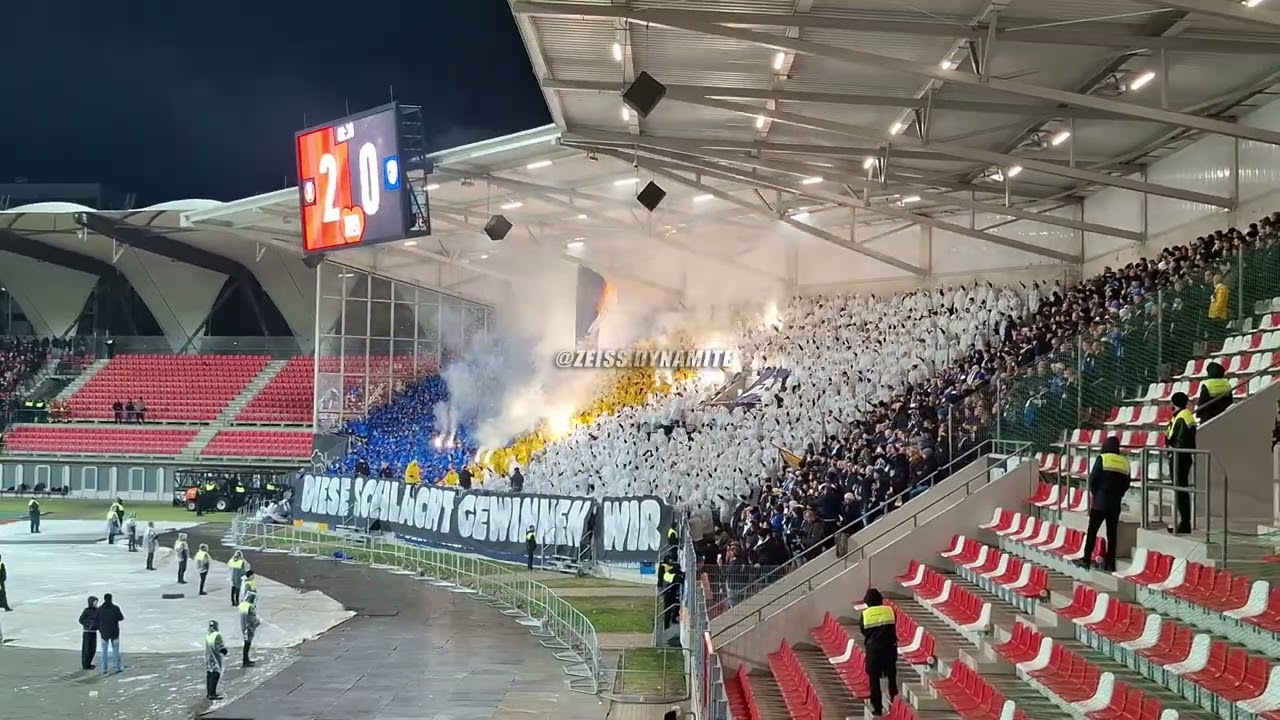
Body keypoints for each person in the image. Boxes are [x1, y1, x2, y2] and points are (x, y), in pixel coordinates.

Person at [1077, 436, 1131, 572]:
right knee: (1112, 534)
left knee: (1092, 531)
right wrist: (1119, 494)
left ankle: (1086, 559)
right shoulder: (1125, 462)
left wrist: (1096, 494)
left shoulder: (1103, 458)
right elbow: (1126, 484)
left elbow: (1093, 479)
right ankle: (1110, 563)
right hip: (1115, 504)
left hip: (1100, 502)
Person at [857, 588, 898, 717]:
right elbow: (893, 625)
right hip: (890, 649)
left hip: (874, 651)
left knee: (874, 680)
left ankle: (877, 708)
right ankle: (895, 703)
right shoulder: (890, 610)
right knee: (892, 677)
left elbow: (863, 630)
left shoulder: (865, 614)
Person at [1166, 391, 1197, 535]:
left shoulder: (1182, 417)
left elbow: (1180, 439)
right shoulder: (1182, 416)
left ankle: (1185, 523)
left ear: (1174, 403)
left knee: (1181, 490)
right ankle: (1184, 522)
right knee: (1180, 490)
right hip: (1180, 456)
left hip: (1179, 457)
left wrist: (1172, 451)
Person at [97, 593, 124, 675]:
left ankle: (104, 669)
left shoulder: (100, 609)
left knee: (104, 652)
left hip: (104, 632)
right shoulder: (115, 608)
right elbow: (121, 618)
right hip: (114, 632)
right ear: (111, 599)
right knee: (116, 651)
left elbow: (96, 619)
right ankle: (117, 668)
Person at [205, 619, 229, 700]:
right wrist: (225, 651)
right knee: (216, 673)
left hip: (209, 657)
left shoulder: (208, 635)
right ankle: (212, 694)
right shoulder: (217, 635)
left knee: (209, 673)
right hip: (215, 657)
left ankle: (209, 693)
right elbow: (221, 647)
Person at [239, 589, 260, 667]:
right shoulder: (250, 607)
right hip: (249, 628)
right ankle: (245, 660)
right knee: (247, 644)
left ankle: (245, 659)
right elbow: (253, 618)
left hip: (244, 627)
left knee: (246, 644)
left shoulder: (243, 605)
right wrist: (257, 623)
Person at [78, 596, 99, 670]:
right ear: (91, 602)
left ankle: (89, 663)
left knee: (93, 649)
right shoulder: (86, 610)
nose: (96, 603)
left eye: (97, 602)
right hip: (87, 632)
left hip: (94, 632)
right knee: (86, 650)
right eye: (95, 602)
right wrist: (88, 624)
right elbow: (80, 620)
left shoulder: (98, 610)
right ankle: (85, 665)